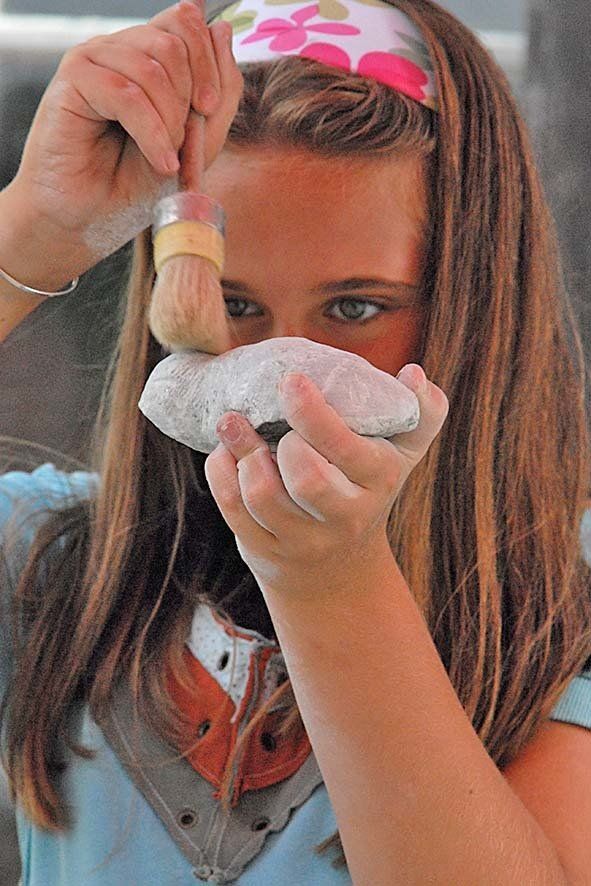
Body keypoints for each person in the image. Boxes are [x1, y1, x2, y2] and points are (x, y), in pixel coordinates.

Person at [1, 0, 591, 882]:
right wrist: (31, 237)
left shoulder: (563, 602)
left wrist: (331, 584)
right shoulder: (55, 569)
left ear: (472, 306)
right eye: (233, 306)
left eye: (354, 309)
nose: (282, 381)